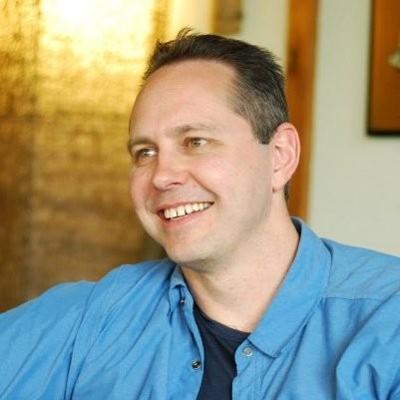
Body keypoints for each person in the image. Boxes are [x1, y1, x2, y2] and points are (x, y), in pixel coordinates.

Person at [1, 29, 400, 400]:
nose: (162, 176)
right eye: (145, 152)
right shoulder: (95, 316)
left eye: (195, 141)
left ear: (280, 156)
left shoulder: (387, 322)